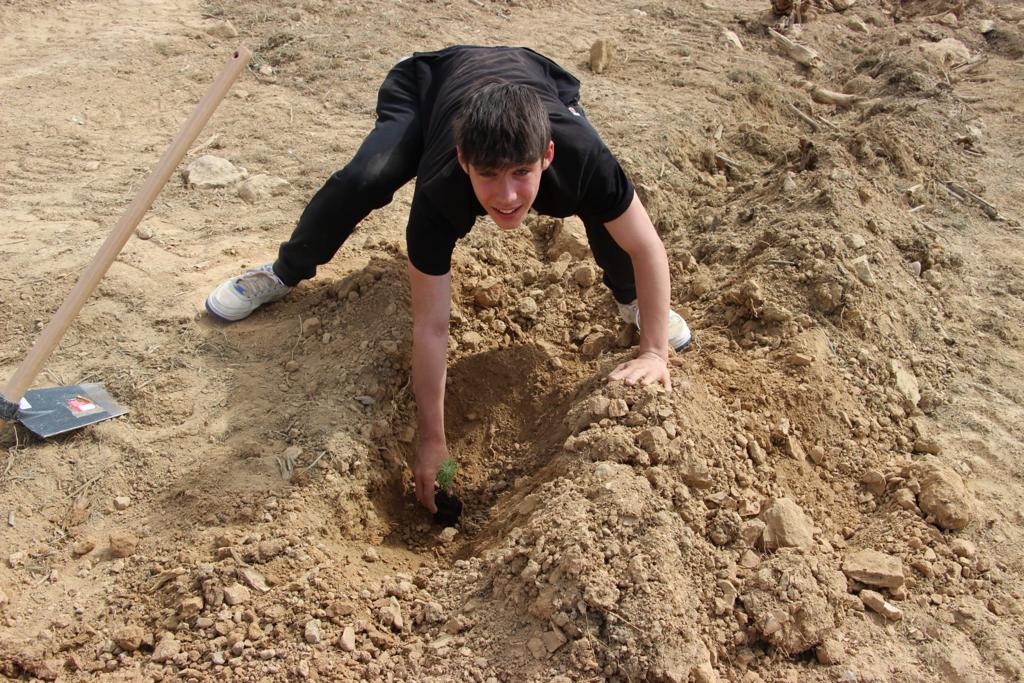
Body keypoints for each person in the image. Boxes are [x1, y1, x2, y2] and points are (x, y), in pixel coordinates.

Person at [205, 46, 692, 513]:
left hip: (530, 74)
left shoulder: (582, 157)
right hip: (431, 88)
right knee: (366, 178)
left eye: (522, 172)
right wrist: (432, 441)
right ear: (463, 161)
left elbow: (645, 244)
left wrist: (653, 352)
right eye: (488, 175)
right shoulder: (441, 192)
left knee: (603, 209)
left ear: (546, 153)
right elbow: (431, 325)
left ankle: (634, 302)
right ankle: (283, 271)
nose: (506, 196)